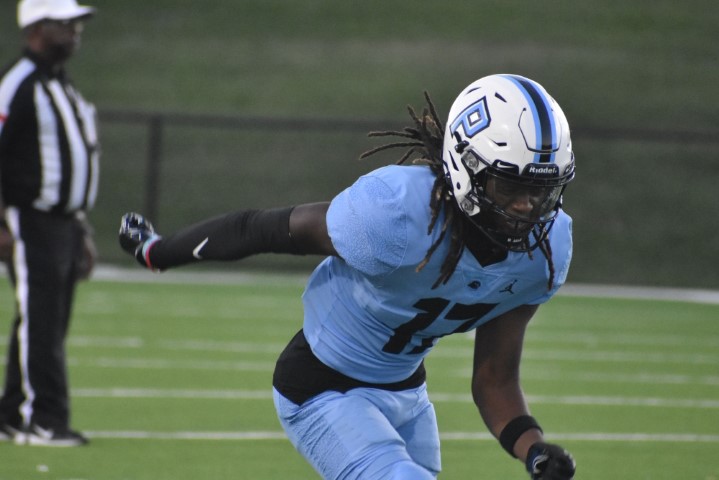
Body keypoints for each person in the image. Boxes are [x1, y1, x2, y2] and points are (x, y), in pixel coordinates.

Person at [118, 74, 577, 479]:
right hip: (321, 385)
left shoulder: (544, 253)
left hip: (407, 397)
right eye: (511, 185)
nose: (527, 207)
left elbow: (495, 379)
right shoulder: (396, 215)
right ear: (466, 170)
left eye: (542, 190)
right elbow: (259, 228)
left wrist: (533, 449)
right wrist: (158, 251)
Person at [0, 0, 98, 447]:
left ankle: (11, 413)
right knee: (40, 320)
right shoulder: (17, 82)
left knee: (47, 320)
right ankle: (44, 419)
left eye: (76, 23)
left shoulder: (60, 84)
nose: (75, 31)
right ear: (36, 28)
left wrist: (81, 227)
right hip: (30, 218)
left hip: (63, 222)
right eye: (65, 23)